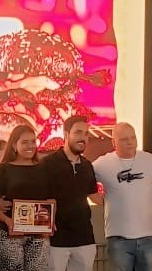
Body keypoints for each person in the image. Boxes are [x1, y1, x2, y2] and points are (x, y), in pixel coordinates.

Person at [91, 122, 152, 271]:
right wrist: (98, 199)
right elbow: (84, 180)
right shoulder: (103, 163)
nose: (130, 142)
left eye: (133, 137)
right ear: (114, 142)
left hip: (147, 237)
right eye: (124, 139)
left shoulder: (149, 160)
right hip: (118, 238)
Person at [39, 115, 104, 271]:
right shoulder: (48, 164)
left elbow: (95, 197)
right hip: (56, 239)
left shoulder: (87, 165)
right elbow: (39, 197)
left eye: (86, 134)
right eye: (78, 132)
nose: (83, 138)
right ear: (66, 134)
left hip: (85, 238)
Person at [0, 125, 54, 271]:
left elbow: (51, 199)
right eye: (25, 142)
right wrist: (7, 220)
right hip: (7, 235)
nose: (30, 146)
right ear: (14, 144)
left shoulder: (44, 169)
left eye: (33, 141)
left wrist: (49, 222)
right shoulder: (2, 169)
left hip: (38, 237)